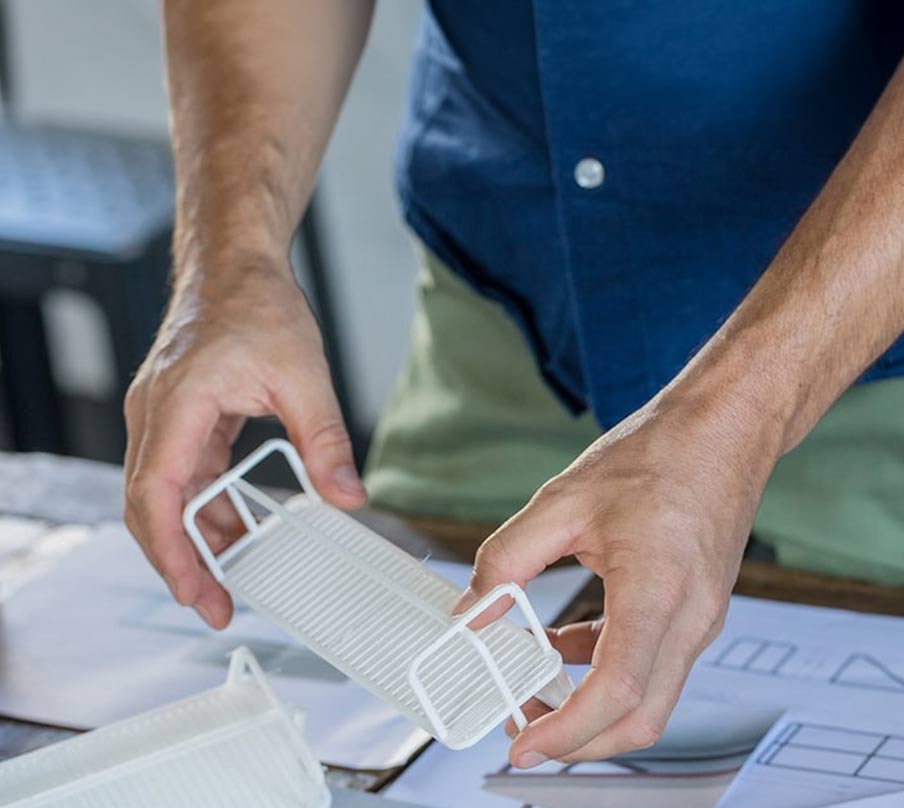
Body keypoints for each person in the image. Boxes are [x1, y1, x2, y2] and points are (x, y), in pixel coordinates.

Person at [124, 1, 904, 769]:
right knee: (395, 769)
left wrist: (735, 416)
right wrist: (231, 265)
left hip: (875, 348)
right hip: (509, 313)